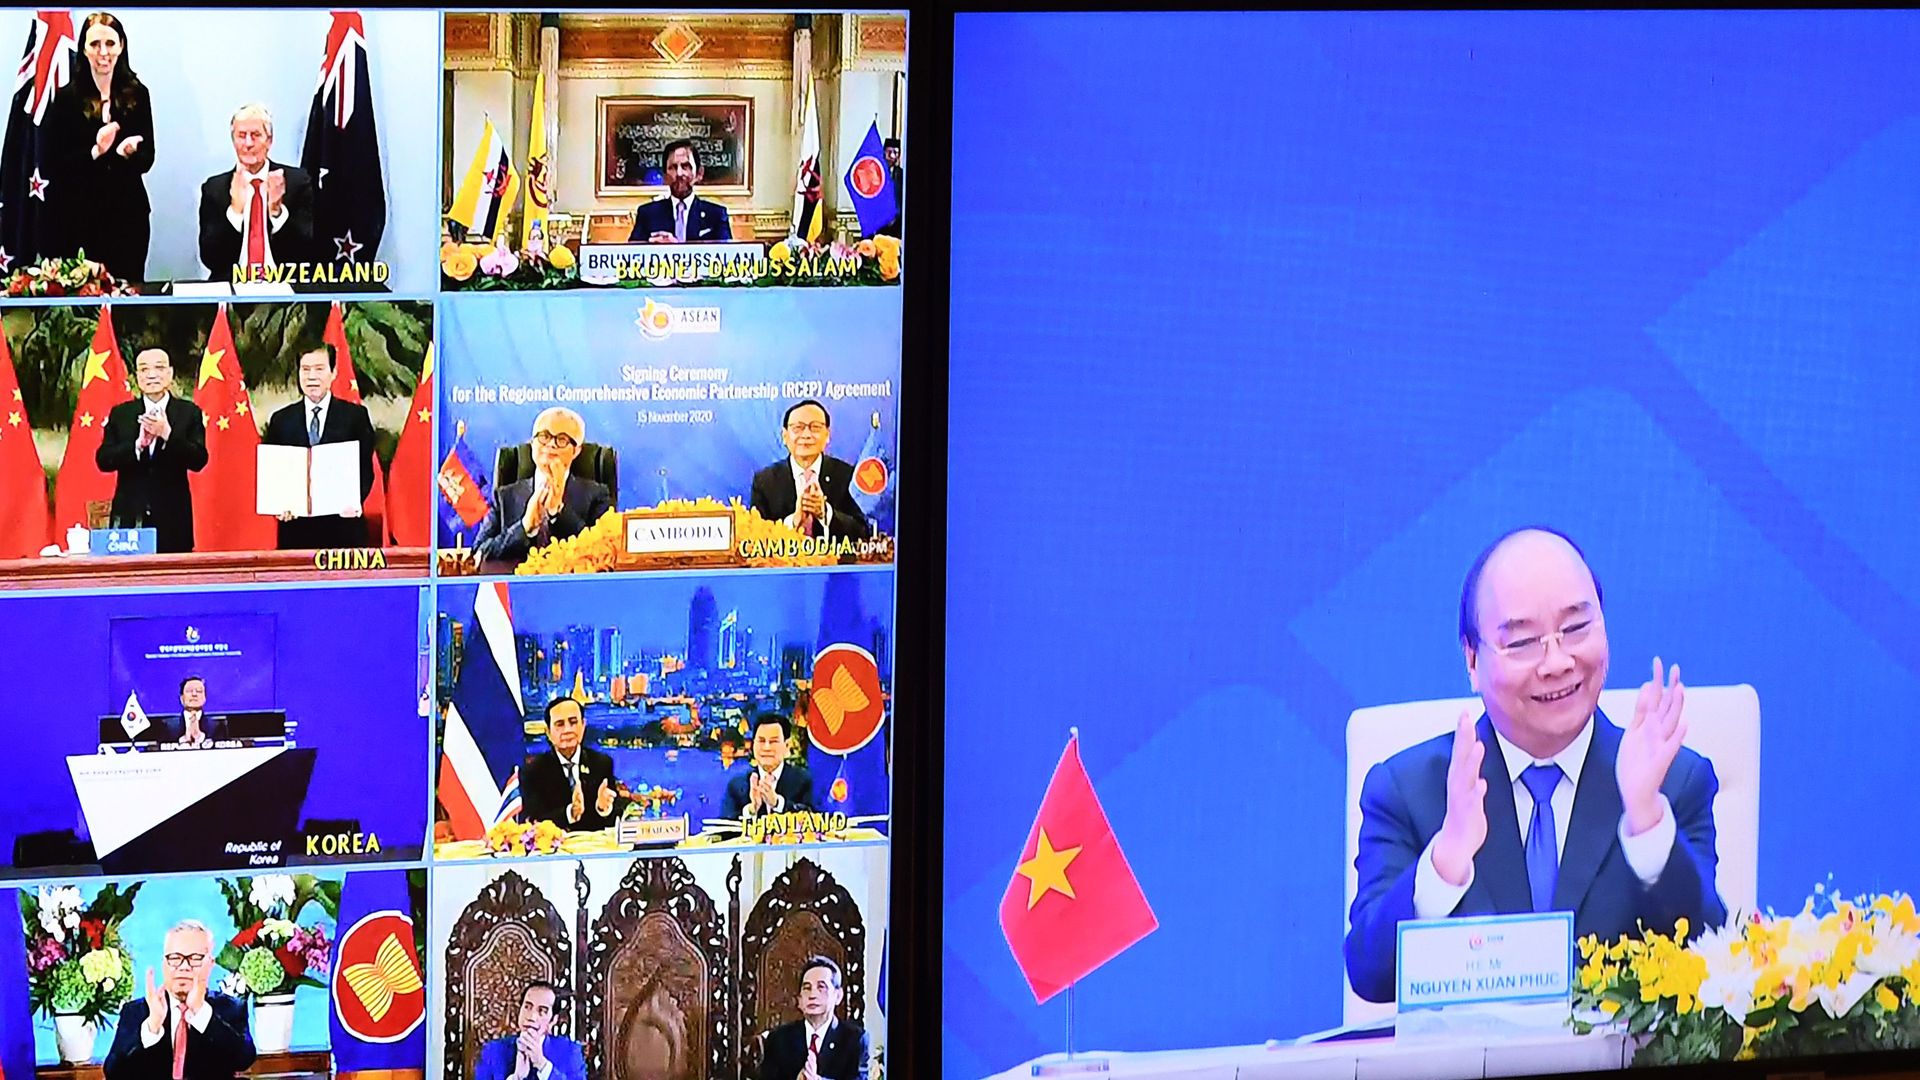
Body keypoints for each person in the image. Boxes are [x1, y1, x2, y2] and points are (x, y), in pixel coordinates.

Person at [1343, 527, 1726, 1004]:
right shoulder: (1409, 792)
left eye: (1577, 628)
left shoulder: (1673, 782)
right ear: (1472, 659)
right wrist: (1446, 860)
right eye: (1523, 642)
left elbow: (1712, 959)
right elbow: (1370, 976)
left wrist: (1645, 816)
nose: (1557, 661)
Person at [45, 12, 154, 283]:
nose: (102, 52)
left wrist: (129, 153)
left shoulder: (137, 94)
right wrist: (96, 151)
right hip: (79, 220)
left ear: (121, 46)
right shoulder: (66, 99)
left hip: (128, 218)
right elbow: (56, 164)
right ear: (83, 48)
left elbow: (148, 158)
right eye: (95, 44)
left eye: (109, 43)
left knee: (125, 304)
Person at [103, 919, 255, 1080]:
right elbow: (113, 1072)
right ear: (164, 964)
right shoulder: (137, 1011)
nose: (184, 967)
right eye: (175, 958)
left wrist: (201, 1013)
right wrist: (152, 1026)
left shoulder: (231, 1008)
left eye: (195, 958)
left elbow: (243, 1059)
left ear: (210, 964)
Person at [262, 343, 377, 549]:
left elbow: (365, 470)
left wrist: (354, 500)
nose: (311, 377)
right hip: (296, 533)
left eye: (319, 369)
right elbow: (274, 474)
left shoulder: (355, 416)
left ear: (333, 373)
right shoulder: (281, 420)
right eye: (305, 370)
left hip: (344, 531)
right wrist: (280, 505)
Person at [97, 348, 208, 553]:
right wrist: (138, 446)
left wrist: (167, 434)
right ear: (137, 376)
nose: (151, 375)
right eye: (144, 369)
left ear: (170, 373)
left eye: (159, 368)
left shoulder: (188, 412)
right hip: (130, 521)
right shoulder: (121, 413)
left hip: (173, 521)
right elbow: (103, 460)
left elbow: (199, 459)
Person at [472, 407, 613, 568]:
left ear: (576, 451)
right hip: (517, 590)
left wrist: (557, 511)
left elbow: (600, 553)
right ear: (532, 443)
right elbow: (479, 555)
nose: (551, 445)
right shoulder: (504, 497)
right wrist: (525, 526)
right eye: (544, 436)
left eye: (562, 439)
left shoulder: (597, 495)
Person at [198, 104, 314, 280]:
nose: (248, 144)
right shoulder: (215, 188)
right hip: (233, 289)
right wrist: (235, 212)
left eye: (256, 135)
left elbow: (306, 251)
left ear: (269, 141)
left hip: (283, 288)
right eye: (241, 136)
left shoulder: (296, 182)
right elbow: (211, 258)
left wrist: (277, 212)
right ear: (233, 140)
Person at [749, 400, 872, 542]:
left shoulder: (847, 475)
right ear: (785, 436)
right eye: (798, 428)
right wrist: (793, 522)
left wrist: (825, 513)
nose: (806, 435)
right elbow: (757, 537)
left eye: (815, 427)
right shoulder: (765, 481)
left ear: (827, 435)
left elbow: (863, 532)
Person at [521, 697, 628, 832]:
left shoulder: (601, 763)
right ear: (548, 732)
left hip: (593, 848)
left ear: (583, 726)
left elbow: (612, 821)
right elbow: (533, 821)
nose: (567, 730)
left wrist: (603, 809)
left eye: (573, 722)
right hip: (554, 849)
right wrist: (570, 813)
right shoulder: (533, 771)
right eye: (560, 724)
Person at [758, 956, 870, 1080]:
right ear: (799, 999)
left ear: (838, 996)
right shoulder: (779, 1039)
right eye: (807, 988)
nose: (812, 995)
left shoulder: (855, 1039)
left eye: (821, 987)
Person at [473, 981, 587, 1080]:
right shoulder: (493, 1051)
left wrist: (542, 1064)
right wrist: (516, 1077)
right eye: (527, 1007)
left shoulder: (570, 1052)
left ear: (553, 1020)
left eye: (542, 1011)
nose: (531, 1017)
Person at [628, 139, 732, 243]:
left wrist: (676, 248)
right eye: (672, 167)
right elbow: (632, 255)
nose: (679, 173)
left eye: (685, 166)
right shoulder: (648, 214)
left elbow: (727, 255)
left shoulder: (716, 215)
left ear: (699, 173)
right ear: (664, 176)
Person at [722, 714, 815, 821]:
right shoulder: (737, 785)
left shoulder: (803, 780)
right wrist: (751, 810)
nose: (766, 748)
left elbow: (813, 820)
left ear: (787, 746)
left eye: (773, 741)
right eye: (761, 741)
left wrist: (777, 803)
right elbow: (724, 827)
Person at [877, 137, 903, 239]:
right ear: (884, 152)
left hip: (897, 223)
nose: (892, 156)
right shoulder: (878, 173)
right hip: (880, 222)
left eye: (896, 152)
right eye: (890, 152)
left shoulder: (902, 175)